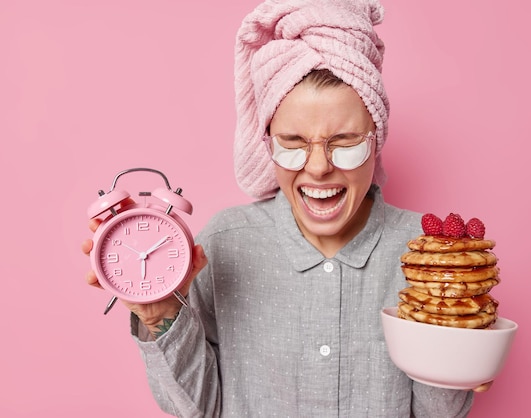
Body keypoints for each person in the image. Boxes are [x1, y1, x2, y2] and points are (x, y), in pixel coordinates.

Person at [83, 0, 488, 416]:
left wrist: (457, 350)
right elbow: (194, 407)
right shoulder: (224, 243)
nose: (317, 168)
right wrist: (161, 315)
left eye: (345, 142)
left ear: (376, 139)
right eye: (292, 143)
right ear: (268, 142)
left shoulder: (429, 254)